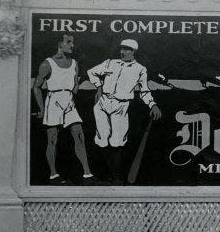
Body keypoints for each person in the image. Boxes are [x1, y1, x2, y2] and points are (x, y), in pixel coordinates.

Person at [87, 39, 162, 184]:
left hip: (120, 106)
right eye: (122, 49)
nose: (123, 52)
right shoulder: (110, 62)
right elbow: (91, 72)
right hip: (102, 103)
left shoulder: (140, 69)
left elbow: (144, 91)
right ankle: (104, 177)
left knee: (117, 142)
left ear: (133, 51)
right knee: (102, 140)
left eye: (127, 49)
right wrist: (99, 86)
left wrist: (153, 105)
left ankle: (116, 178)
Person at [32, 33, 93, 183]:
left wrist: (74, 90)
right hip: (53, 102)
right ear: (60, 44)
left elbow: (75, 83)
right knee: (52, 139)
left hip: (69, 102)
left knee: (79, 136)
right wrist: (41, 109)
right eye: (69, 42)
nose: (73, 45)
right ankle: (53, 175)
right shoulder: (47, 64)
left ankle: (87, 174)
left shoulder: (74, 63)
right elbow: (36, 87)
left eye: (73, 42)